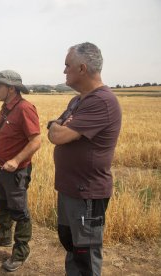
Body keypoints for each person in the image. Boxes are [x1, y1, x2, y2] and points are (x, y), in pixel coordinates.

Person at [47, 42, 122, 276]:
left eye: (67, 65)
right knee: (71, 246)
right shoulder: (78, 100)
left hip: (87, 193)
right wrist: (55, 125)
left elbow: (57, 135)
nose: (64, 71)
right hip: (72, 190)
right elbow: (54, 129)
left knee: (85, 255)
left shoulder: (101, 101)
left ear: (82, 68)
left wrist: (57, 126)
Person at [0, 70, 41, 272]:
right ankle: (4, 236)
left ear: (11, 88)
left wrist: (16, 160)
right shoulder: (5, 108)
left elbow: (36, 141)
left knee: (19, 212)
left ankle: (20, 253)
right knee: (2, 204)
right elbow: (1, 134)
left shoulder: (25, 109)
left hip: (15, 171)